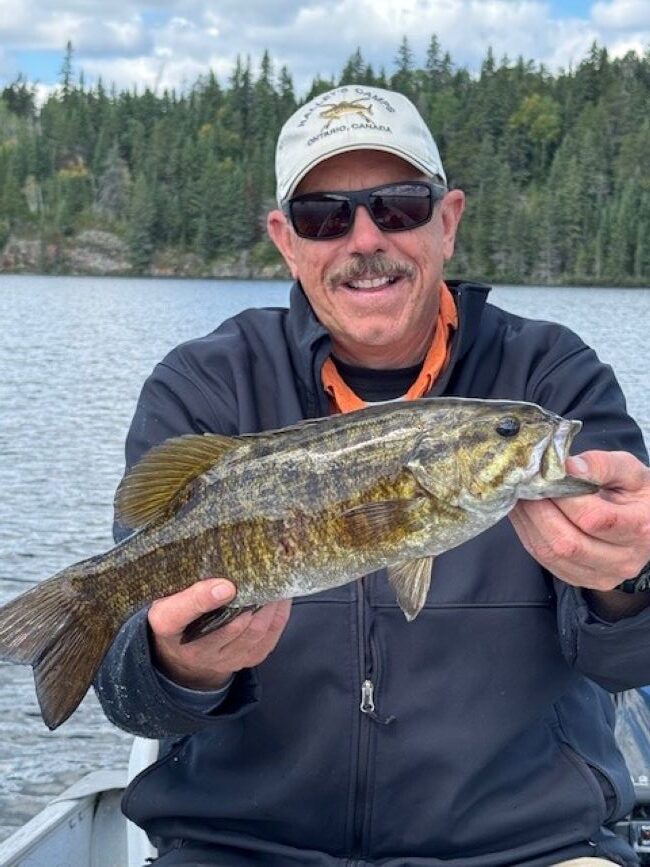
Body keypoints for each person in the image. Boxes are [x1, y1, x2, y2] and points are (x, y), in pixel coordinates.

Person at [95, 85, 650, 867]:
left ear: (447, 220)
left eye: (398, 205)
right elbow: (128, 698)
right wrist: (179, 663)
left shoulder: (552, 381)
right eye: (326, 215)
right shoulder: (205, 388)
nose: (365, 238)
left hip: (521, 848)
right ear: (287, 240)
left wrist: (629, 575)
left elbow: (633, 658)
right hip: (240, 848)